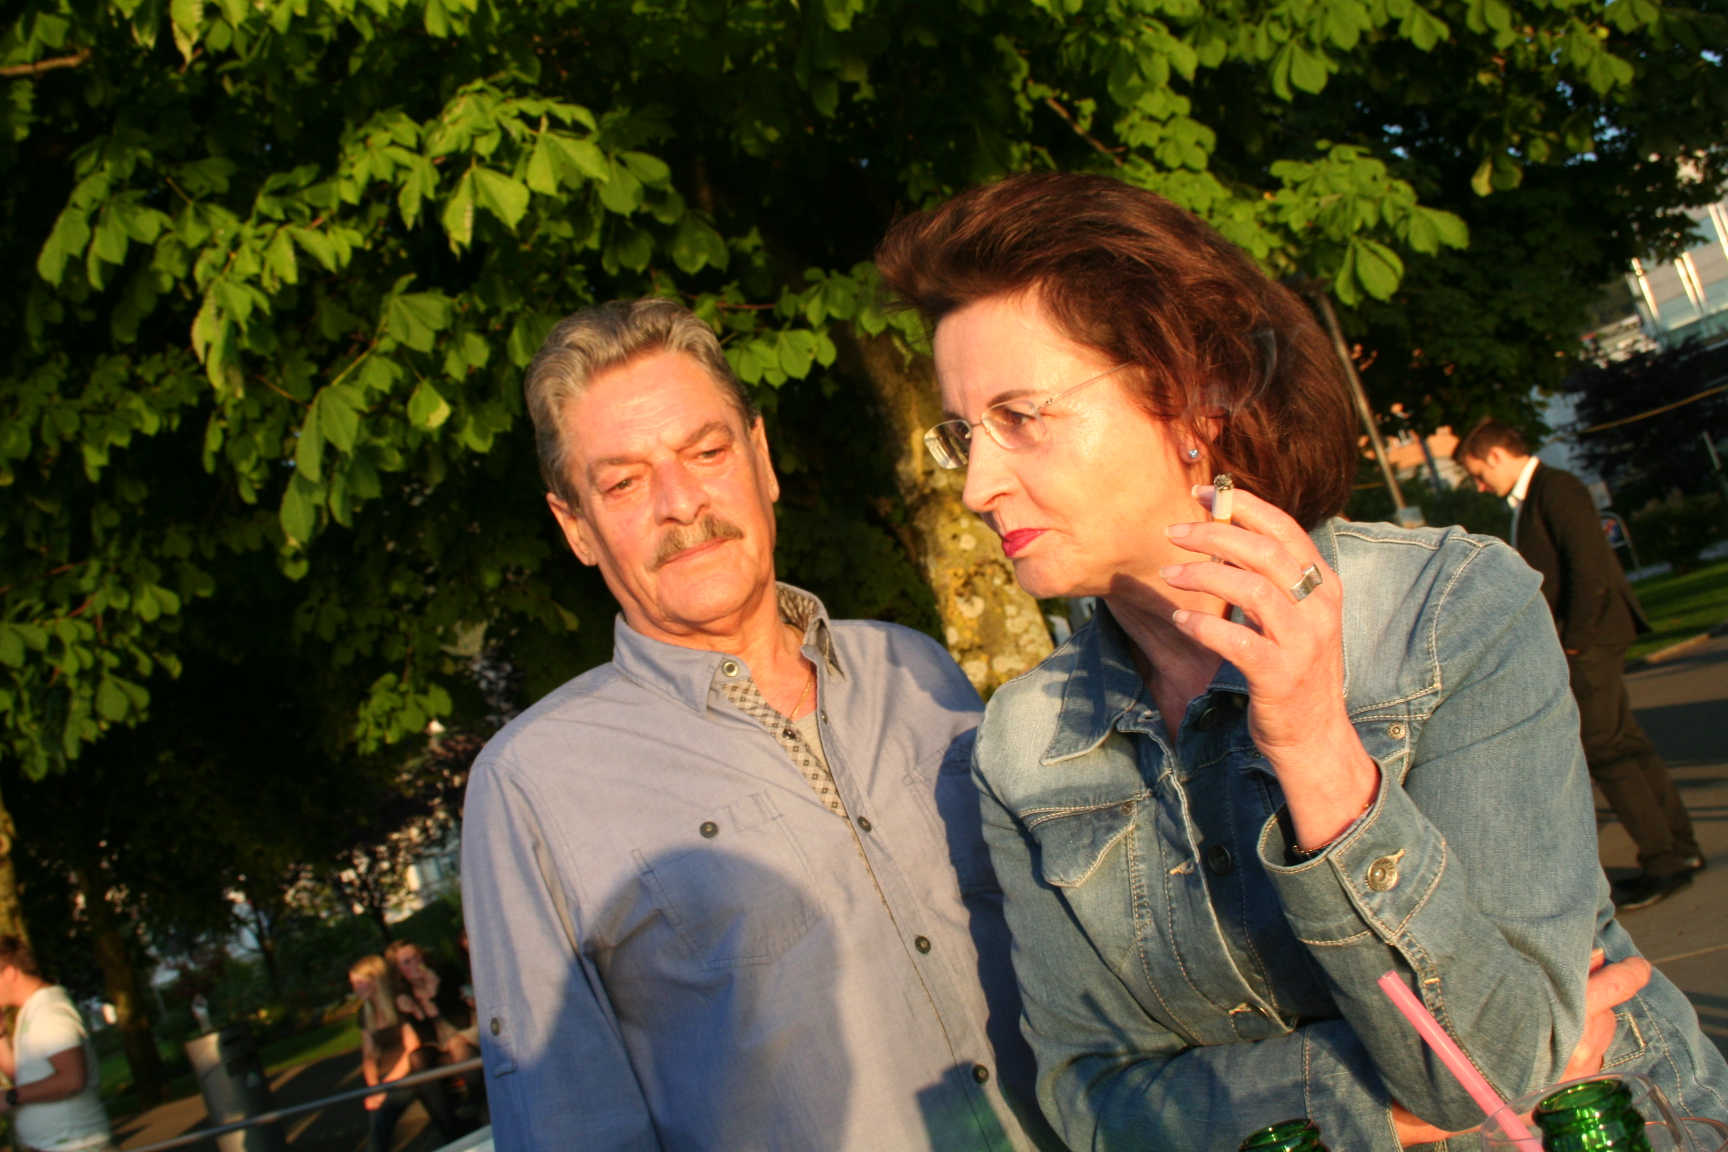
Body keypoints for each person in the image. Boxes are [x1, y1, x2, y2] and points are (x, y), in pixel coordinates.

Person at [875, 171, 1728, 1150]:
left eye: (1021, 417)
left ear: (1199, 398)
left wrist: (1317, 745)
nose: (978, 484)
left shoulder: (1448, 612)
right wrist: (1370, 1110)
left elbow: (1492, 1069)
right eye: (964, 434)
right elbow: (1092, 1099)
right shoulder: (1026, 743)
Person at [460, 297, 1052, 1150]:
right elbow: (568, 1126)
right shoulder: (531, 788)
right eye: (624, 482)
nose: (680, 502)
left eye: (706, 452)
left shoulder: (916, 670)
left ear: (762, 459)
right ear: (576, 527)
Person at [1455, 419, 1703, 911]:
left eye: (1478, 473)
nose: (1479, 485)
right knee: (1626, 742)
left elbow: (1589, 567)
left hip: (1590, 638)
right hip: (1590, 637)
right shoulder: (1537, 496)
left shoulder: (1556, 489)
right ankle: (1680, 848)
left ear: (1497, 455)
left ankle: (1664, 863)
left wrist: (1575, 643)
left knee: (1606, 750)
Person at [0, 937, 112, 1152]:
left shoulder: (49, 1010)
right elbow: (22, 1077)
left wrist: (11, 1097)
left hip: (77, 1145)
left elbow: (72, 1079)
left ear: (10, 973)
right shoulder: (31, 1011)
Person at [349, 954, 460, 1152]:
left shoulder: (398, 1003)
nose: (355, 989)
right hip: (387, 1078)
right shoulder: (365, 1013)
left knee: (384, 1113)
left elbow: (412, 1045)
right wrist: (374, 1087)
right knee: (377, 1112)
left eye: (359, 983)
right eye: (353, 984)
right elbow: (369, 1056)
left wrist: (386, 1085)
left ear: (374, 980)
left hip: (411, 1068)